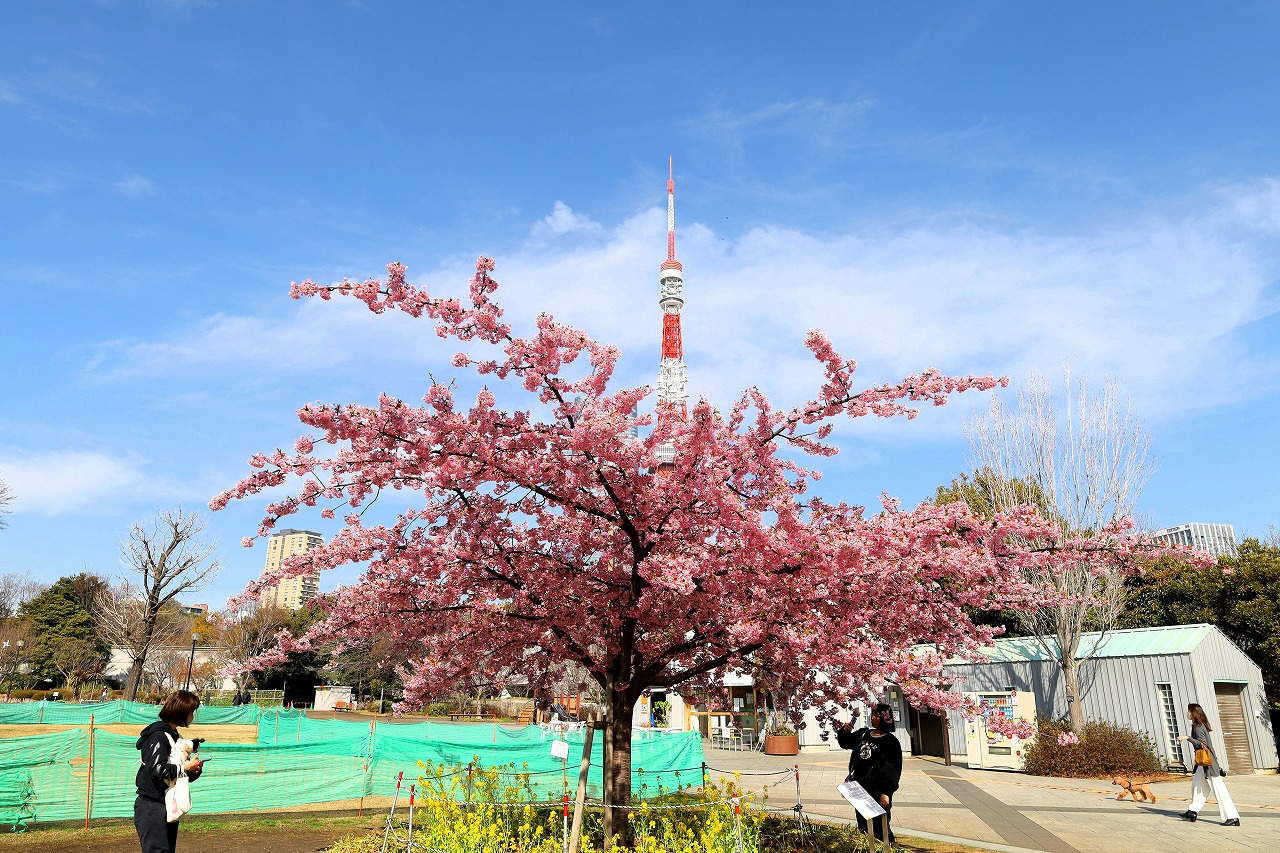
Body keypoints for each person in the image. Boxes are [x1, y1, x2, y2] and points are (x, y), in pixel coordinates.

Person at [135, 690, 205, 853]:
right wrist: (185, 767)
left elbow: (174, 774)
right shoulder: (158, 736)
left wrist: (193, 771)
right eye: (192, 712)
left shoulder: (174, 736)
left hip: (168, 803)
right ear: (182, 712)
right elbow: (157, 770)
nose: (193, 716)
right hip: (152, 806)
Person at [836, 703, 902, 842]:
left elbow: (893, 769)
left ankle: (885, 847)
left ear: (884, 718)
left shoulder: (890, 742)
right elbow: (845, 742)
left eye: (876, 715)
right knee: (863, 821)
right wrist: (843, 731)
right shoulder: (864, 733)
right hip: (860, 786)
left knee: (880, 823)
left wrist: (886, 792)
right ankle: (867, 846)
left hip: (878, 788)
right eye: (872, 714)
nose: (872, 718)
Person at [1178, 703, 1240, 826]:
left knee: (1219, 790)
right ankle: (1192, 811)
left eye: (1189, 711)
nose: (1187, 713)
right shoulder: (1198, 725)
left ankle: (1233, 817)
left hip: (1208, 764)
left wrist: (1187, 738)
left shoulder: (1198, 727)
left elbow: (1203, 744)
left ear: (1193, 713)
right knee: (1197, 786)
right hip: (1203, 764)